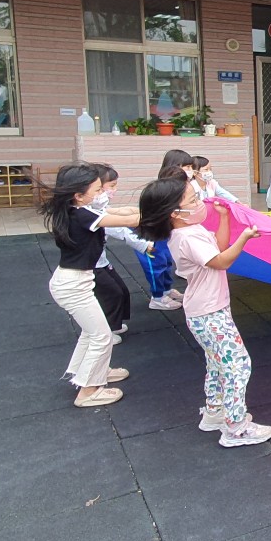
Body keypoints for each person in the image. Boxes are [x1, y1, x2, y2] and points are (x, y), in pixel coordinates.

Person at [138, 176, 271, 447]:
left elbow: (218, 248)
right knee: (238, 365)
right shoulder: (187, 237)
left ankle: (214, 412)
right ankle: (236, 428)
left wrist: (223, 217)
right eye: (193, 200)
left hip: (206, 310)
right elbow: (221, 261)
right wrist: (245, 237)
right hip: (209, 313)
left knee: (217, 363)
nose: (201, 203)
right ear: (175, 213)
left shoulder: (191, 230)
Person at [39, 162, 141, 407]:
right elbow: (131, 219)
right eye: (97, 190)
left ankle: (91, 372)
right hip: (73, 285)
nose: (102, 194)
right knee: (101, 336)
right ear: (78, 195)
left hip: (75, 281)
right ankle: (88, 392)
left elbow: (124, 211)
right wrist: (165, 210)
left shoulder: (77, 210)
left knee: (92, 332)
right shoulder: (83, 215)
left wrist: (145, 209)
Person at [89, 163, 150, 342]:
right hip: (90, 266)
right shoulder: (88, 215)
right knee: (111, 294)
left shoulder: (97, 210)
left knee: (120, 290)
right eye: (110, 186)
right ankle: (104, 333)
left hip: (101, 262)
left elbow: (125, 214)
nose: (113, 191)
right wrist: (144, 243)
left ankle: (113, 325)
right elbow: (122, 226)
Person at [133, 153, 192, 311]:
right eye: (186, 166)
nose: (190, 170)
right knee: (156, 266)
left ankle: (166, 290)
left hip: (163, 235)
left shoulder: (177, 189)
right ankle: (157, 297)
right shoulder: (162, 192)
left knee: (166, 262)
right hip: (150, 238)